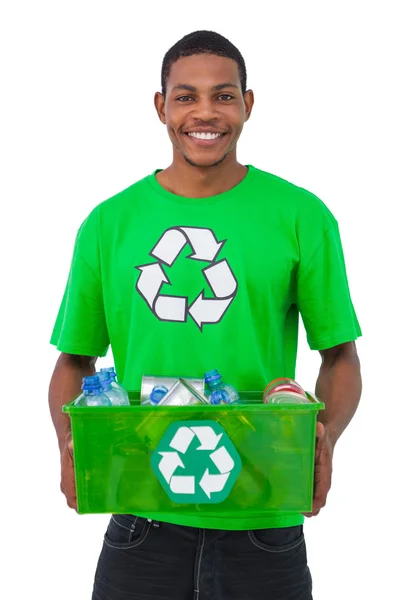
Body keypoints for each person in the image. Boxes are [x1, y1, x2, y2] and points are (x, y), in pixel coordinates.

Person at [48, 30, 362, 600]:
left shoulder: (301, 215)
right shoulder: (107, 225)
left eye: (223, 95)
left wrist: (325, 440)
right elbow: (75, 359)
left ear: (248, 103)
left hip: (263, 515)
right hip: (141, 519)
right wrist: (68, 446)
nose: (205, 113)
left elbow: (340, 355)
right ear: (160, 106)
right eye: (186, 96)